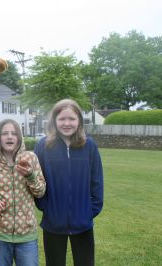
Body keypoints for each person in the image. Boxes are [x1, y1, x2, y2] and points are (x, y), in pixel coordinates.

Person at [34, 99, 104, 266]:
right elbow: (36, 180)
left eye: (71, 119)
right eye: (62, 119)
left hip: (83, 223)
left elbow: (96, 182)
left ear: (79, 120)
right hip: (53, 223)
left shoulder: (89, 146)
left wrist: (89, 211)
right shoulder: (44, 146)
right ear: (54, 121)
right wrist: (46, 207)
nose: (67, 123)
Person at [0, 119, 46, 266]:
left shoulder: (31, 159)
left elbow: (40, 192)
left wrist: (30, 176)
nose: (10, 137)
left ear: (19, 137)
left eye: (14, 133)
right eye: (5, 133)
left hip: (27, 236)